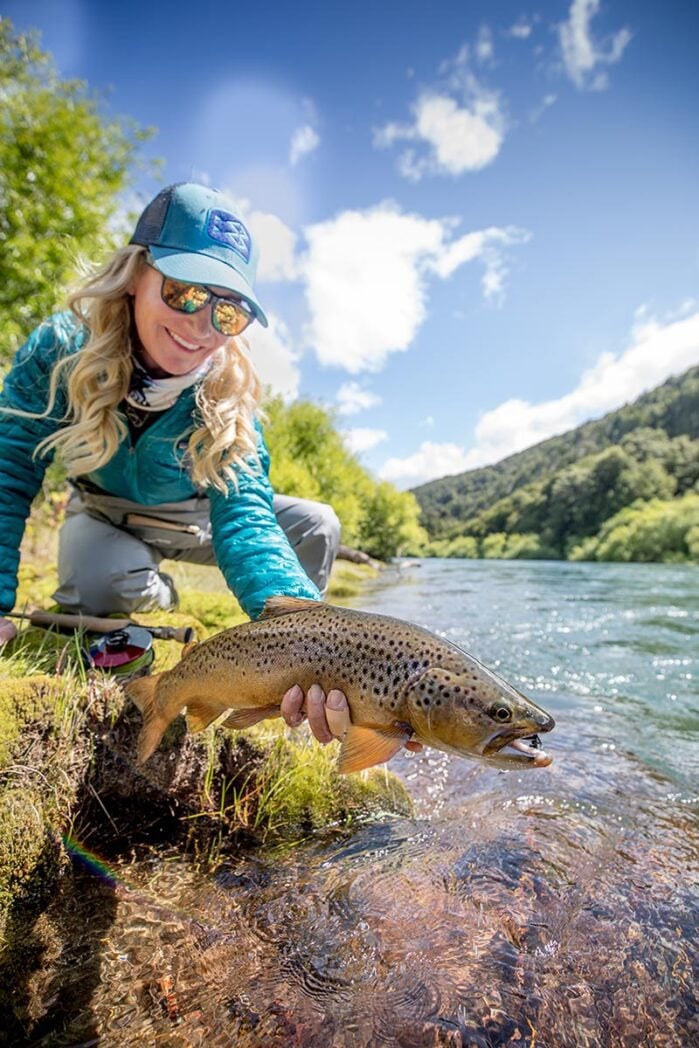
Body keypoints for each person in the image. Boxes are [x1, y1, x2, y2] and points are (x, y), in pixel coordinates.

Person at [0, 182, 352, 744]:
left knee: (318, 524)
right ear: (136, 274)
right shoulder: (60, 349)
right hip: (105, 512)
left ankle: (285, 680)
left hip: (194, 517)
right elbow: (8, 469)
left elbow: (246, 522)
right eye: (185, 292)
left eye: (228, 313)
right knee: (111, 585)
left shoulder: (231, 393)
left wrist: (315, 646)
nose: (201, 326)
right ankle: (150, 590)